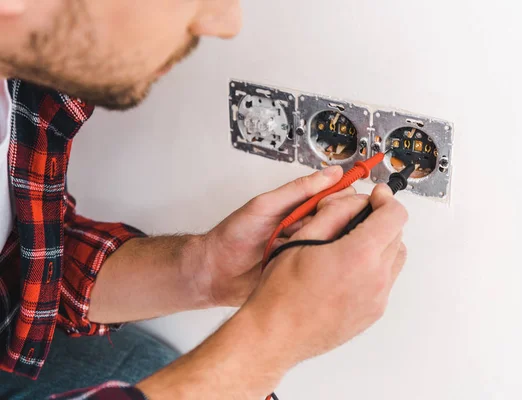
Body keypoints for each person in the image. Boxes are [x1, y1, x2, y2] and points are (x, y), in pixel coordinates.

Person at [0, 1, 408, 399]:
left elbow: (18, 261)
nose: (226, 22)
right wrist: (271, 338)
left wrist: (202, 270)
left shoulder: (25, 75)